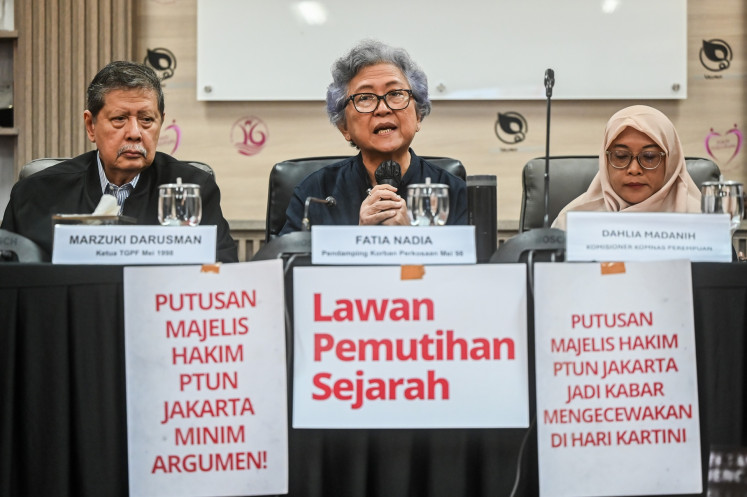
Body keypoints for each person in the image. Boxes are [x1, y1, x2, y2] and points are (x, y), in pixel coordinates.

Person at [1, 61, 238, 262]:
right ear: (90, 125)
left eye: (146, 119)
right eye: (119, 119)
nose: (134, 132)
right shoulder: (37, 193)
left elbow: (222, 274)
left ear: (160, 123)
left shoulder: (194, 189)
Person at [279, 40, 467, 234]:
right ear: (344, 127)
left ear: (418, 115)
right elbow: (287, 262)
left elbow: (472, 262)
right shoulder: (315, 192)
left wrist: (411, 239)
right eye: (365, 98)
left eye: (395, 93)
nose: (383, 109)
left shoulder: (454, 193)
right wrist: (360, 239)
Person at [552, 105, 701, 230]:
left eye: (649, 156)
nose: (634, 169)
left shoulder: (702, 221)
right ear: (605, 160)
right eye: (621, 156)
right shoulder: (573, 223)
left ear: (671, 162)